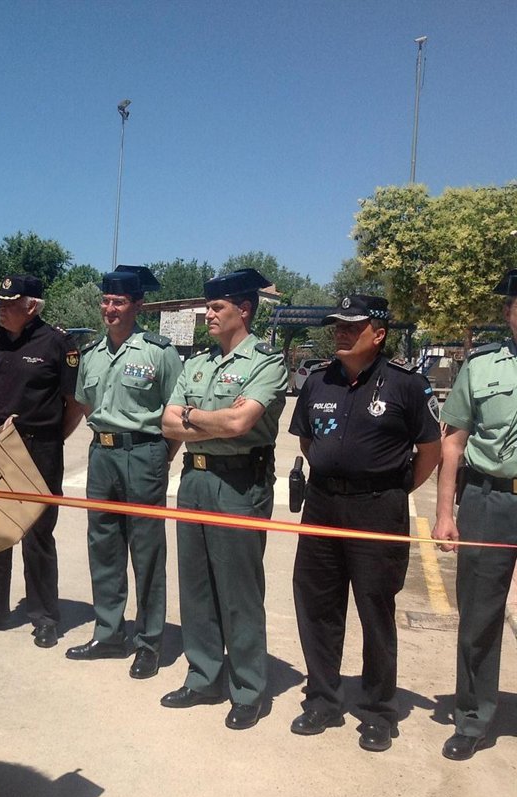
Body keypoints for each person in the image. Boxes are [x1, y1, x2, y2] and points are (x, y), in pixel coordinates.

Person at [289, 294, 441, 752]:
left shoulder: (406, 385)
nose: (341, 332)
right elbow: (307, 442)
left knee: (375, 610)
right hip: (322, 504)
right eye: (338, 325)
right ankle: (323, 699)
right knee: (317, 604)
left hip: (377, 508)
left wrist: (392, 489)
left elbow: (429, 451)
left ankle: (378, 711)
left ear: (378, 334)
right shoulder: (318, 381)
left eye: (352, 326)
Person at [160, 268, 288, 730]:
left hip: (238, 484)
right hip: (194, 480)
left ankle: (248, 688)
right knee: (196, 586)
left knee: (239, 591)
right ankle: (203, 677)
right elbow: (167, 423)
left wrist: (192, 416)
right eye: (208, 307)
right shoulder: (197, 362)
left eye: (217, 308)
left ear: (244, 310)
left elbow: (239, 424)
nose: (208, 315)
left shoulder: (266, 364)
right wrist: (208, 418)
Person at [67, 267, 182, 679]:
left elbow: (176, 412)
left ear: (138, 306)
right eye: (106, 301)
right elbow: (85, 403)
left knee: (146, 551)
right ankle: (109, 633)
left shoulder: (159, 352)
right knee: (103, 547)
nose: (109, 309)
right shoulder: (91, 353)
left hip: (143, 453)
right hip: (102, 455)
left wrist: (160, 455)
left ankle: (149, 642)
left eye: (118, 302)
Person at [432, 269, 517, 761]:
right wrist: (445, 513)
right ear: (508, 312)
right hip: (489, 500)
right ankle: (472, 717)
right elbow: (454, 442)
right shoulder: (481, 366)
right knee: (480, 616)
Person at [0, 274, 85, 648]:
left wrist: (52, 438)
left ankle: (44, 616)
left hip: (39, 449)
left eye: (10, 304)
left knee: (37, 535)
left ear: (32, 306)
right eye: (0, 303)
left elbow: (74, 404)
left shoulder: (57, 343)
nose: (2, 309)